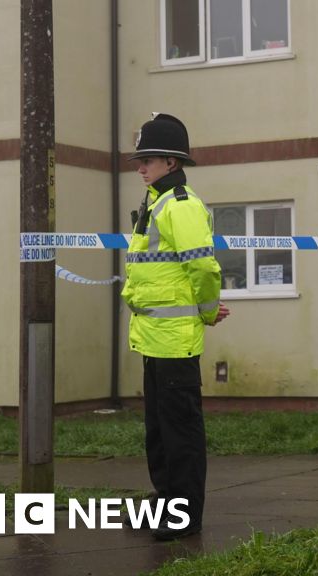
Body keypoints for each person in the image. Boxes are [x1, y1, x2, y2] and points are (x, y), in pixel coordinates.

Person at [121, 112, 229, 540]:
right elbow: (154, 272)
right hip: (154, 338)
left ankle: (183, 513)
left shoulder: (180, 205)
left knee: (179, 433)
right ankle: (165, 501)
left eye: (147, 159)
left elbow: (203, 266)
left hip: (175, 341)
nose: (140, 166)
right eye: (139, 159)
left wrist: (205, 312)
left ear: (171, 162)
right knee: (159, 433)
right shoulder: (156, 202)